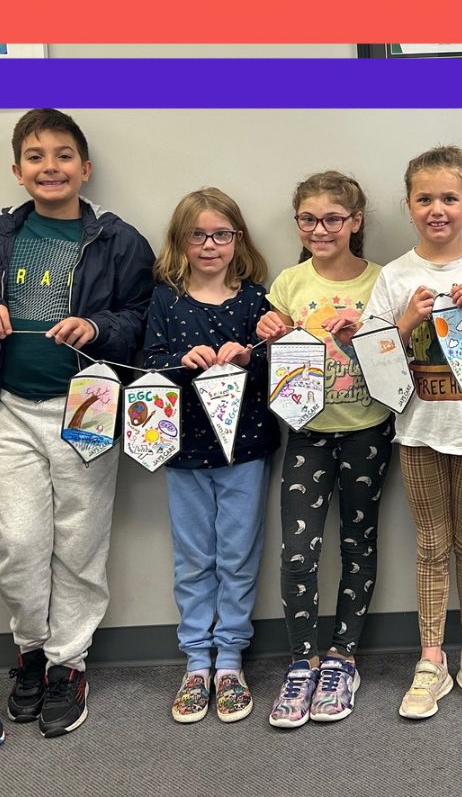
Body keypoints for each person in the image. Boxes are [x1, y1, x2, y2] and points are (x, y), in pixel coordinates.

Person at [0, 109, 154, 737]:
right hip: (12, 407)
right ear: (17, 172)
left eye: (63, 155)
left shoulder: (120, 242)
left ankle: (69, 663)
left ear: (84, 169)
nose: (50, 166)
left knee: (81, 544)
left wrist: (97, 328)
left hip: (87, 406)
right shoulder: (3, 236)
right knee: (19, 543)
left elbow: (143, 318)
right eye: (35, 156)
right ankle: (31, 651)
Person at [368, 146, 462, 719]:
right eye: (425, 198)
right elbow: (375, 365)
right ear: (408, 205)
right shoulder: (395, 275)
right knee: (431, 544)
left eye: (449, 198)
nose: (437, 209)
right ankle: (431, 660)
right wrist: (406, 321)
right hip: (418, 431)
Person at [256, 171, 394, 728]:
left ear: (355, 222)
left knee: (359, 541)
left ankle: (342, 657)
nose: (320, 228)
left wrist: (367, 327)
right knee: (299, 550)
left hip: (368, 426)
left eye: (333, 218)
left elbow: (398, 347)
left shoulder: (382, 280)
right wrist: (269, 329)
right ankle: (302, 660)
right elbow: (273, 357)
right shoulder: (288, 282)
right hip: (306, 431)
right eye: (308, 219)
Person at [143, 187, 277, 724]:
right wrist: (181, 359)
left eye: (222, 234)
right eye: (197, 234)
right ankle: (197, 662)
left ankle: (230, 662)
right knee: (194, 559)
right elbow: (149, 363)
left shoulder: (255, 299)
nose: (209, 244)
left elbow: (281, 373)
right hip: (183, 451)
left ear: (238, 239)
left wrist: (249, 354)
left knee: (238, 557)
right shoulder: (165, 299)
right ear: (180, 240)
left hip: (245, 447)